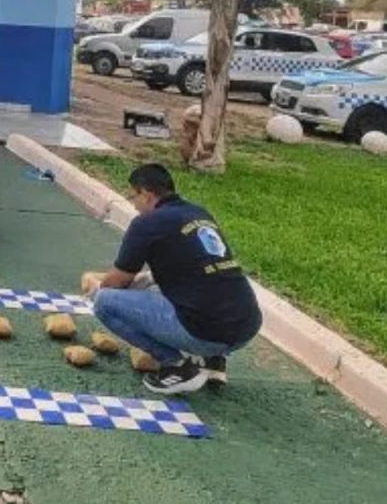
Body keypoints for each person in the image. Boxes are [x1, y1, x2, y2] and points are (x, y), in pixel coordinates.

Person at [81, 164, 262, 395]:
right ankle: (215, 361)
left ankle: (177, 366)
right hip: (247, 326)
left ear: (146, 194)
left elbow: (116, 282)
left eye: (133, 196)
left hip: (205, 332)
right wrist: (144, 281)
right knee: (208, 282)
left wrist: (96, 288)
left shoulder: (146, 224)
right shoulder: (199, 214)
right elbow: (193, 266)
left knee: (105, 302)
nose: (134, 205)